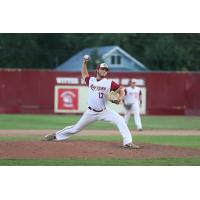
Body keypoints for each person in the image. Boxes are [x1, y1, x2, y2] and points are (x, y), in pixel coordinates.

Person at [44, 55, 139, 149]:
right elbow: (84, 74)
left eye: (106, 70)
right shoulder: (91, 80)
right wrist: (84, 63)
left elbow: (122, 89)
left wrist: (120, 98)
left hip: (104, 111)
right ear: (97, 70)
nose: (105, 71)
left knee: (120, 120)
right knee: (76, 128)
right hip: (91, 112)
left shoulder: (109, 83)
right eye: (103, 69)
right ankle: (56, 135)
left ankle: (128, 142)